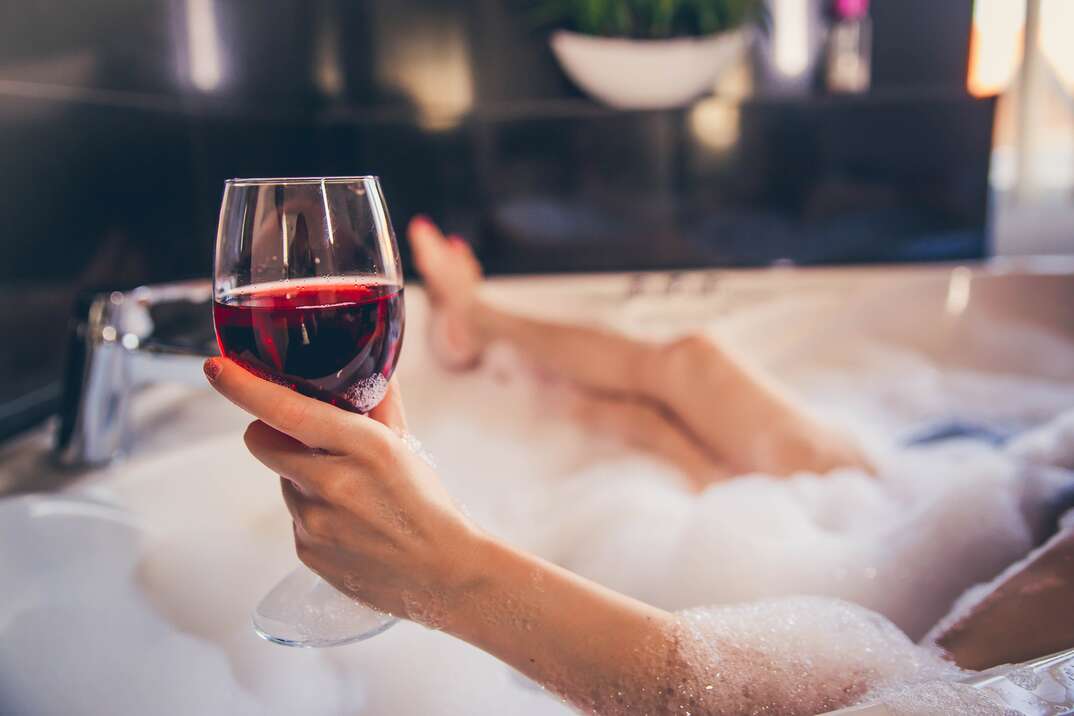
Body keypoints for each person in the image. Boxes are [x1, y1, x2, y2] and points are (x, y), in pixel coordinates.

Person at [200, 219, 891, 714]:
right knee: (693, 364)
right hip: (894, 495)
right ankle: (476, 315)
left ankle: (473, 317)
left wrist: (449, 571)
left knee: (648, 428)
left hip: (879, 562)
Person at [405, 216, 872, 487]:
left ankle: (476, 318)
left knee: (688, 366)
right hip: (858, 505)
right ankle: (494, 340)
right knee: (650, 420)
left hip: (847, 504)